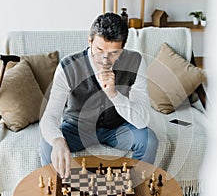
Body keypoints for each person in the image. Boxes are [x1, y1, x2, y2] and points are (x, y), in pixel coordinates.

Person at [39, 12, 158, 178]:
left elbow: (143, 119)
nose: (105, 60)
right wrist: (58, 140)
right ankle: (60, 192)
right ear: (90, 41)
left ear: (123, 48)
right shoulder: (68, 66)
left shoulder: (136, 62)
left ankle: (136, 189)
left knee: (149, 140)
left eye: (114, 53)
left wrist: (113, 93)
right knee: (48, 142)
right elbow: (50, 115)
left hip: (117, 128)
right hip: (77, 128)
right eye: (99, 50)